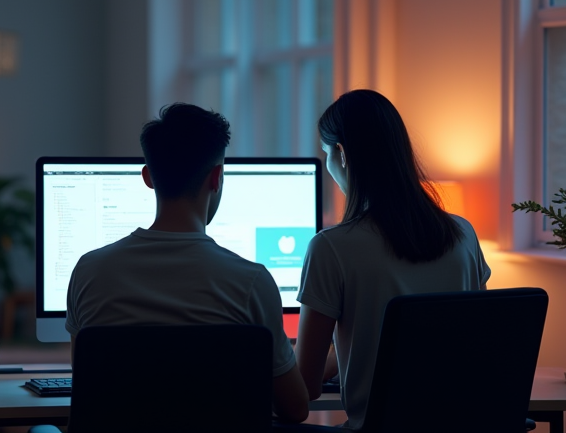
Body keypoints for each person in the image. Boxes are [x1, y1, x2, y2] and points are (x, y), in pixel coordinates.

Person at [65, 102, 309, 423]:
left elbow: (86, 384)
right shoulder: (252, 282)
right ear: (216, 178)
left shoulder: (89, 272)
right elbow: (295, 409)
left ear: (148, 177)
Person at [294, 89, 490, 429]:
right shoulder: (463, 235)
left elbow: (304, 388)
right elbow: (479, 346)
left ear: (341, 154)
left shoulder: (331, 247)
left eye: (326, 152)